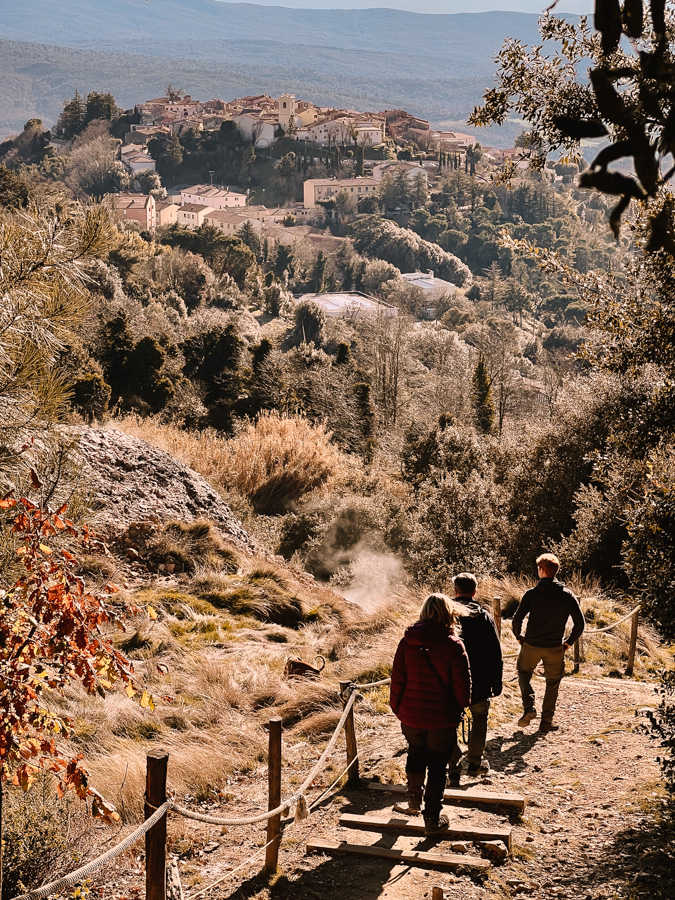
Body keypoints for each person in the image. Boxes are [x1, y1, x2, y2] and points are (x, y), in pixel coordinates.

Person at [389, 593, 471, 835]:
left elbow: (397, 680)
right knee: (437, 765)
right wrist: (459, 708)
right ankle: (432, 820)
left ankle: (414, 798)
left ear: (424, 612)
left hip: (411, 716)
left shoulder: (407, 642)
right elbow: (463, 687)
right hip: (441, 719)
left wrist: (398, 709)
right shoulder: (454, 645)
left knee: (415, 753)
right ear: (449, 613)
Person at [512, 552, 585, 733]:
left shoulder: (532, 594)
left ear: (541, 570)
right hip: (554, 647)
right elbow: (580, 623)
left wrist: (519, 636)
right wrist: (568, 643)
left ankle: (529, 707)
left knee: (523, 672)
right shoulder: (567, 595)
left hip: (531, 645)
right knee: (552, 683)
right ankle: (546, 722)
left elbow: (517, 619)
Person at [448, 573, 502, 783]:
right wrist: (496, 682)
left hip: (450, 680)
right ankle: (474, 762)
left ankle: (453, 764)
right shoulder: (484, 615)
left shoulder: (446, 611)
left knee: (449, 722)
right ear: (475, 591)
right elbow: (495, 651)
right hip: (479, 680)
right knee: (480, 719)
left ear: (455, 590)